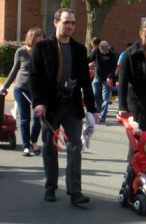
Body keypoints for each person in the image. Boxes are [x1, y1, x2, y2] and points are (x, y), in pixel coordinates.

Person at [29, 8, 99, 205]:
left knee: (75, 146)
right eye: (66, 22)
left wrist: (92, 108)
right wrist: (38, 102)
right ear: (56, 22)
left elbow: (86, 81)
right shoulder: (42, 47)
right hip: (49, 106)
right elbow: (34, 77)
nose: (70, 26)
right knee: (50, 147)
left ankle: (75, 192)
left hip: (72, 105)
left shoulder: (79, 49)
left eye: (73, 23)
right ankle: (50, 187)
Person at [0, 27, 44, 156]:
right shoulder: (21, 52)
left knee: (38, 118)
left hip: (37, 90)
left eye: (42, 36)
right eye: (38, 36)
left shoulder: (43, 52)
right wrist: (5, 86)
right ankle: (26, 146)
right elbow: (14, 70)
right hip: (21, 89)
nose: (41, 39)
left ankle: (33, 141)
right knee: (25, 118)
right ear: (32, 38)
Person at [88, 40, 117, 123]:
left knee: (106, 97)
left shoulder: (111, 54)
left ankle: (102, 116)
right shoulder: (96, 51)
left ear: (108, 47)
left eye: (106, 50)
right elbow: (89, 58)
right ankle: (101, 109)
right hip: (98, 76)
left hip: (107, 78)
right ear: (99, 48)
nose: (104, 52)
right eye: (103, 51)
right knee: (95, 93)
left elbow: (113, 67)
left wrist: (110, 77)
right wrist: (88, 63)